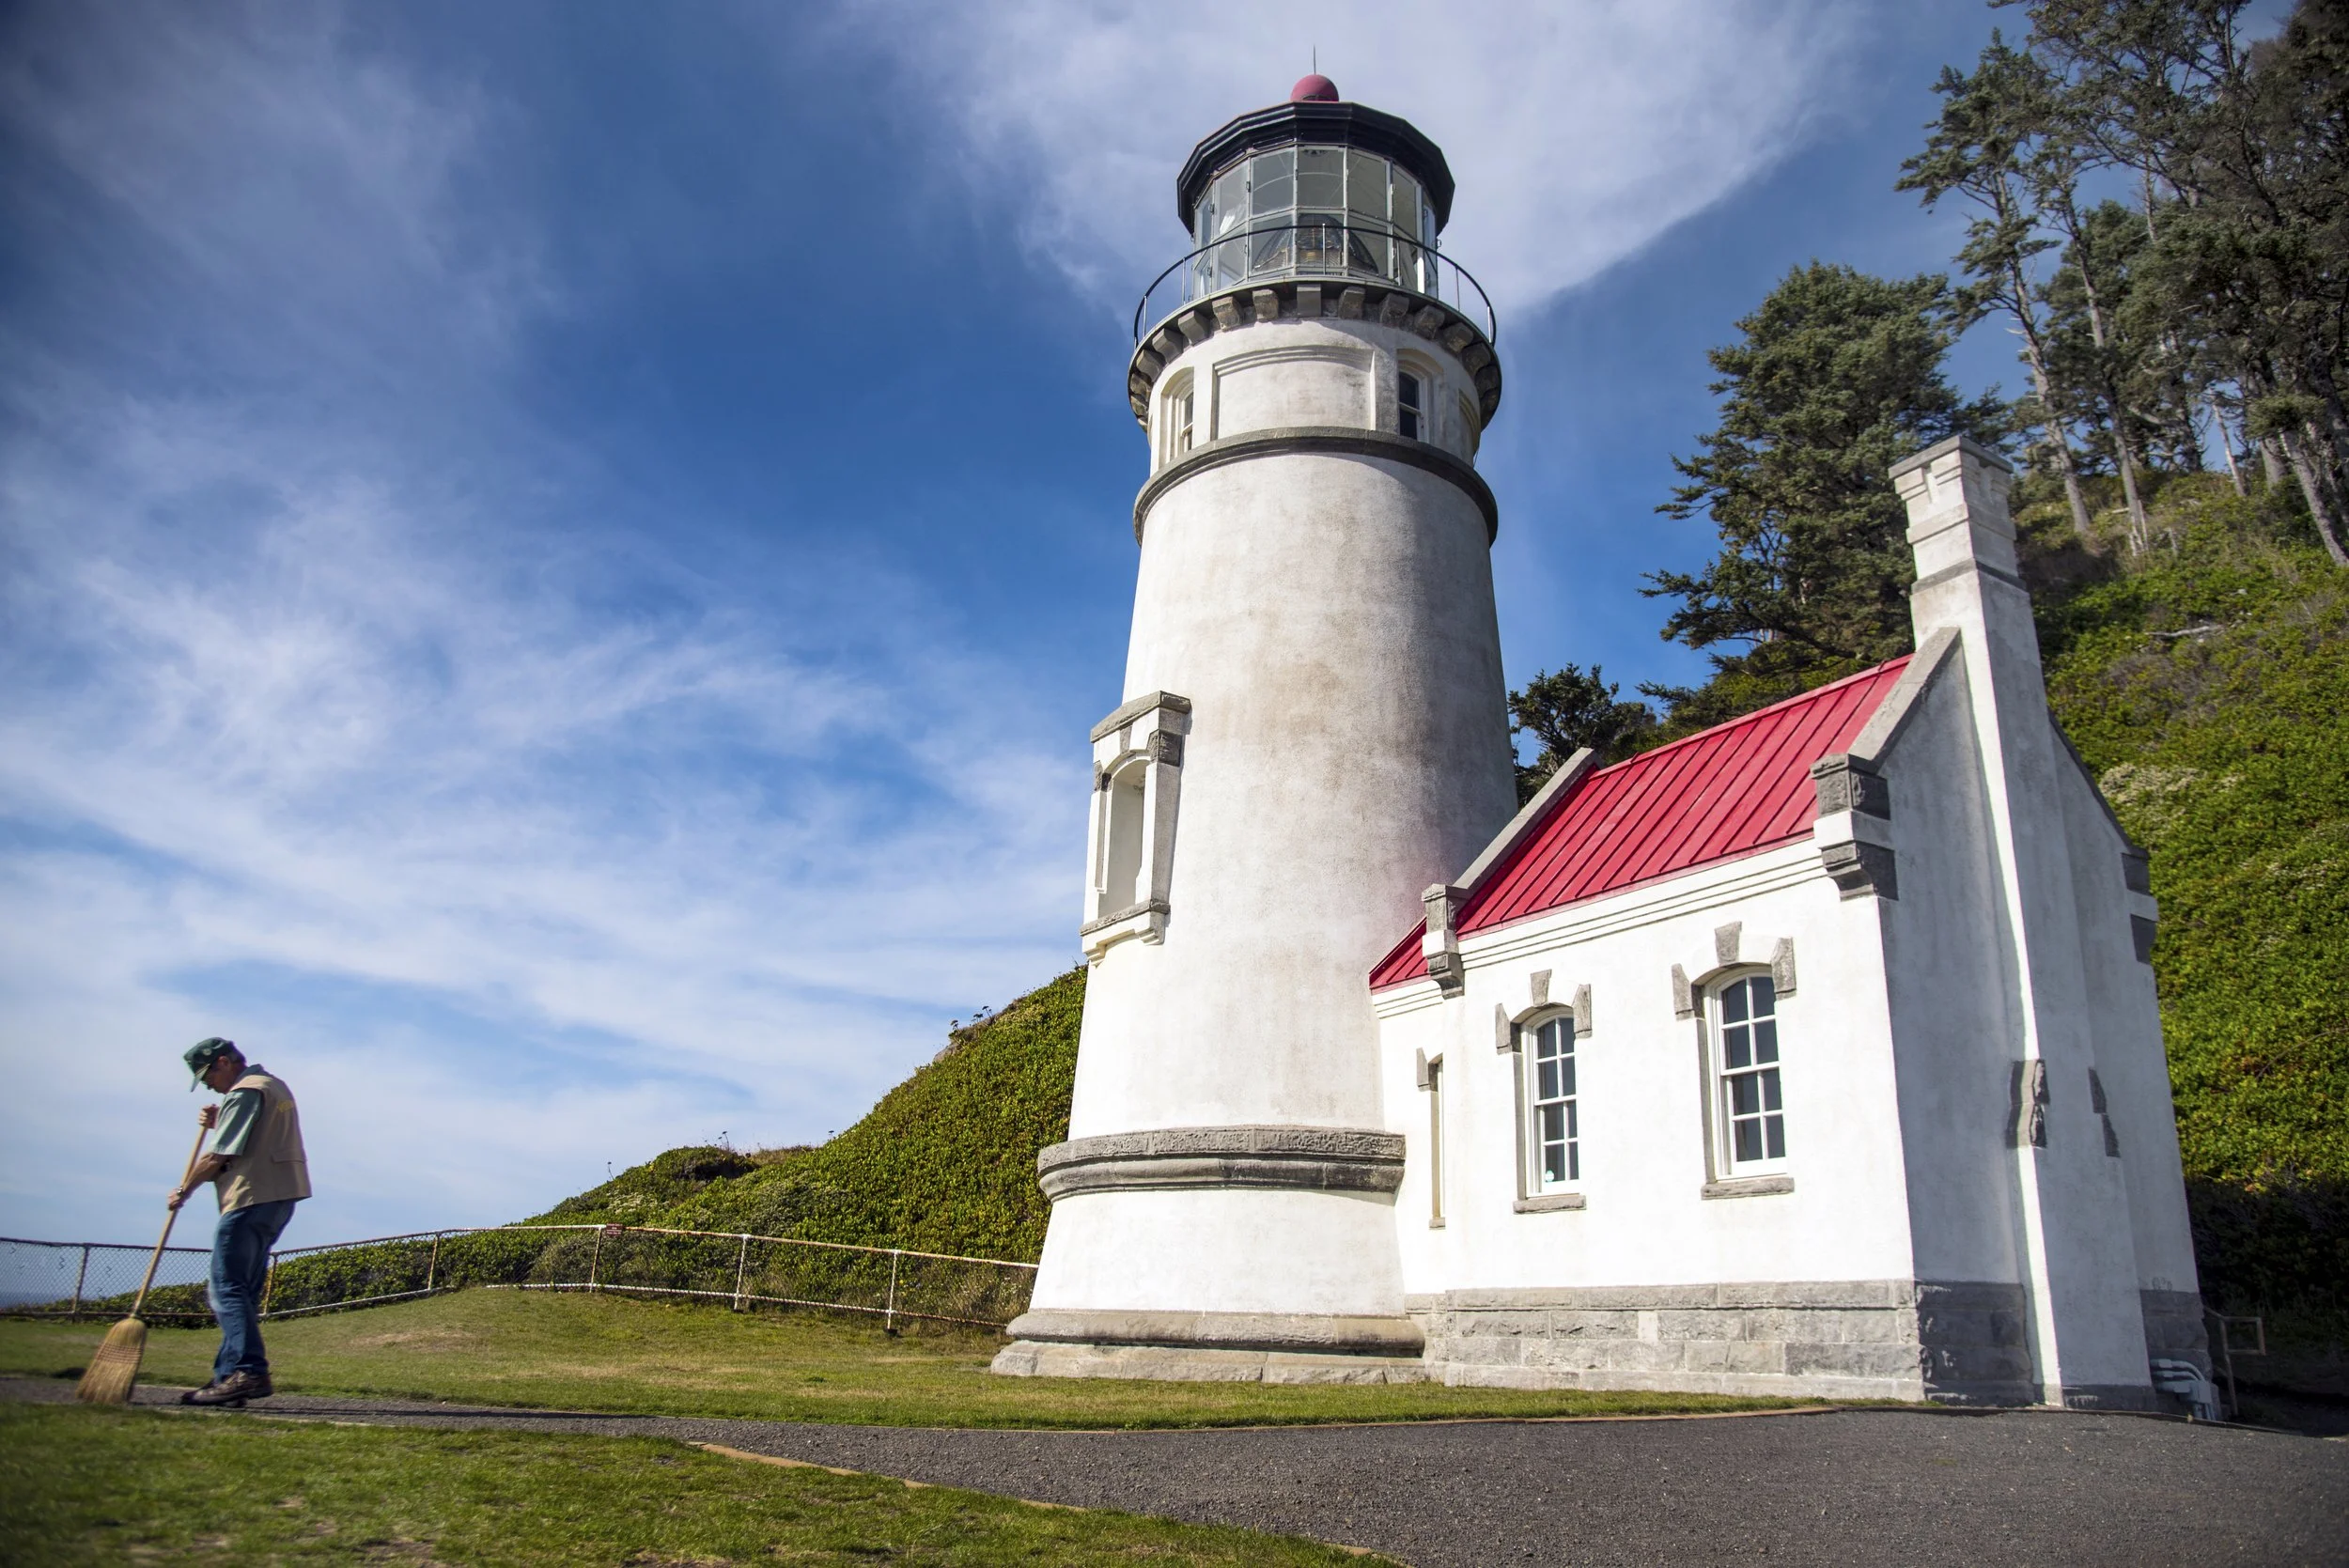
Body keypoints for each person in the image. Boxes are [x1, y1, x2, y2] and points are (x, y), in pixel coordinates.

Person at [168, 1037, 310, 1405]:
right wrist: (223, 1120)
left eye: (206, 1075)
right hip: (279, 1197)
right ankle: (227, 1380)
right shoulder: (272, 1085)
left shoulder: (246, 1091)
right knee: (242, 1292)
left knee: (225, 1288)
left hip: (250, 1198)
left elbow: (220, 1154)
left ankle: (249, 1371)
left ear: (225, 1062)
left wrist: (185, 1189)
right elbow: (255, 1134)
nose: (207, 1084)